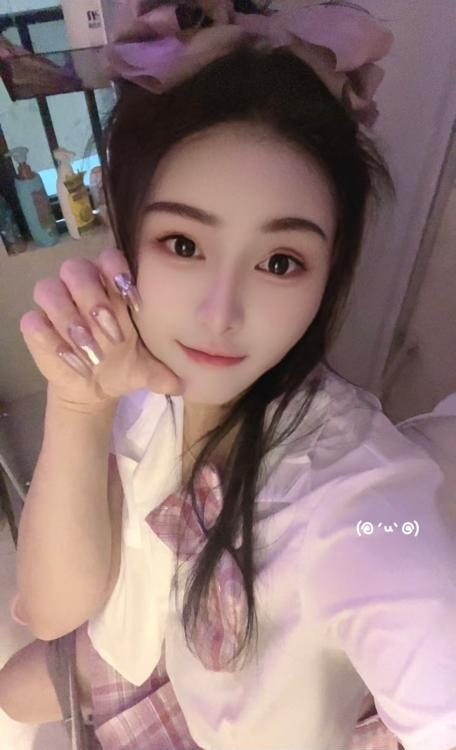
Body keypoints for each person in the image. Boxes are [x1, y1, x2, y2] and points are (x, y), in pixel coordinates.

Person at [0, 2, 455, 749]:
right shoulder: (135, 366)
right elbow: (53, 611)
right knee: (11, 692)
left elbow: (395, 560)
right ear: (128, 239)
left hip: (242, 710)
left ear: (329, 275)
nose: (219, 314)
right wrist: (79, 404)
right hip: (140, 630)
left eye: (280, 261)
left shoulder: (353, 498)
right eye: (183, 244)